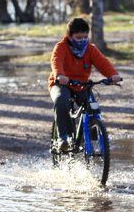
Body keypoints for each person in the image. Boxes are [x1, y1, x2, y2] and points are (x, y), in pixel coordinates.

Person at [48, 18, 122, 152]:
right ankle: (62, 138)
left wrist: (112, 75)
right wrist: (60, 75)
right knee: (61, 100)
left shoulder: (90, 49)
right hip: (61, 83)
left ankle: (92, 134)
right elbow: (56, 61)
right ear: (69, 36)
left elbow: (102, 62)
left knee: (92, 107)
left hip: (81, 85)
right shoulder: (61, 47)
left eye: (85, 37)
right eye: (78, 37)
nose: (82, 40)